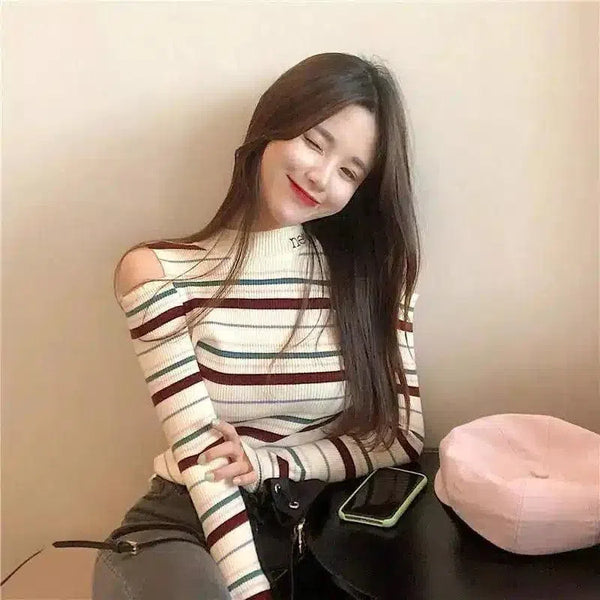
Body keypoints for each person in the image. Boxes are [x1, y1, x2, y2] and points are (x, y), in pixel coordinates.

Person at [91, 51, 424, 600]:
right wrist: (253, 593)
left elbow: (401, 437)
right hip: (190, 528)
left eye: (349, 171)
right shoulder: (158, 273)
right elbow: (205, 464)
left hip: (316, 532)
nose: (320, 176)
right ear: (272, 126)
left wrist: (273, 462)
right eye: (314, 142)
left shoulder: (378, 279)